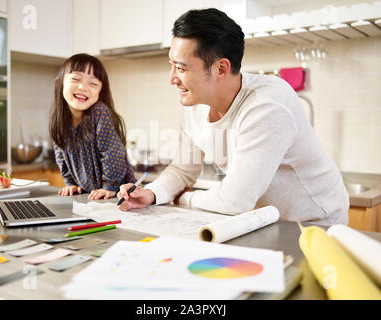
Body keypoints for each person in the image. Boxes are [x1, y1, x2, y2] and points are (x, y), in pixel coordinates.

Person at [117, 8, 349, 226]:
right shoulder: (194, 104)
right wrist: (151, 193)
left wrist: (184, 199)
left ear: (220, 68)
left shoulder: (267, 104)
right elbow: (183, 169)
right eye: (172, 66)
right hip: (267, 219)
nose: (172, 79)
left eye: (182, 68)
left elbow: (235, 201)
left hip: (316, 221)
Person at [49, 53, 136, 200]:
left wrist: (110, 186)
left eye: (93, 84)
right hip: (90, 195)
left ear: (100, 91)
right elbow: (60, 154)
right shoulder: (59, 118)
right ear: (59, 83)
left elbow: (112, 153)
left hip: (118, 194)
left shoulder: (99, 112)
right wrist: (70, 182)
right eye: (75, 79)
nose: (83, 87)